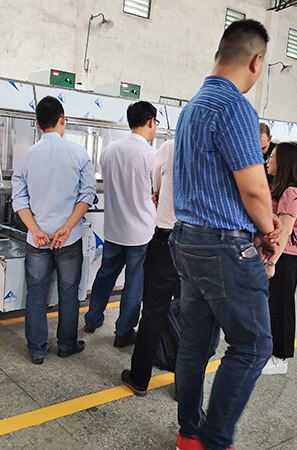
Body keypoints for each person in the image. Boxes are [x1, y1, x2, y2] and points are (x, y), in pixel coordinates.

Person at [168, 20, 282, 450]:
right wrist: (269, 230)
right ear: (256, 61)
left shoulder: (192, 108)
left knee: (195, 344)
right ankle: (215, 442)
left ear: (218, 54)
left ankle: (189, 434)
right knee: (253, 346)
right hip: (222, 246)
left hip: (186, 240)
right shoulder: (235, 107)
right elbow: (253, 188)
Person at [12, 96, 96, 365]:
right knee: (69, 293)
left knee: (36, 293)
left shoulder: (26, 157)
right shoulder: (79, 154)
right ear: (63, 120)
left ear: (38, 125)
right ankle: (67, 344)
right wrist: (67, 227)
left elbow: (19, 200)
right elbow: (87, 195)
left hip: (37, 240)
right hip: (68, 239)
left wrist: (36, 230)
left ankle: (37, 349)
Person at [83, 101, 157, 348]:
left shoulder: (109, 150)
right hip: (141, 232)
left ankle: (92, 320)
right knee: (134, 284)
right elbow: (156, 192)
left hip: (114, 227)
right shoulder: (150, 155)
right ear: (150, 121)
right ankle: (123, 332)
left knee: (105, 275)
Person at [120, 139, 182, 396]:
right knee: (194, 316)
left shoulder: (170, 146)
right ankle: (186, 386)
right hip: (201, 245)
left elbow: (156, 188)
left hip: (166, 239)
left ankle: (140, 378)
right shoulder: (220, 148)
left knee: (154, 312)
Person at [262, 142, 297, 375]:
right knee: (272, 305)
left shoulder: (291, 192)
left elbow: (284, 231)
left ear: (284, 162)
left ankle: (280, 358)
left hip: (285, 258)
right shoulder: (282, 188)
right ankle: (270, 352)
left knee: (281, 307)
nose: (268, 160)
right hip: (279, 256)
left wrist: (272, 262)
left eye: (272, 156)